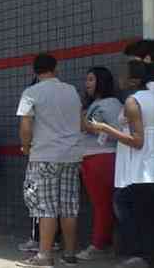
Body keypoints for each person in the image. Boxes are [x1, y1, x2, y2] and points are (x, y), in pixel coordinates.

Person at [16, 54, 83, 267]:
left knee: (46, 207)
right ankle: (70, 254)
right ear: (56, 68)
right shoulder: (71, 90)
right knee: (69, 206)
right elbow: (81, 122)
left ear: (34, 71)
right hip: (72, 156)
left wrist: (26, 148)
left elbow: (26, 126)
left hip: (44, 155)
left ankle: (44, 256)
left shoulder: (31, 92)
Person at [89, 60, 154, 268]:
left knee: (126, 205)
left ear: (133, 79)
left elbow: (137, 141)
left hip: (140, 169)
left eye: (123, 75)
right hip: (147, 168)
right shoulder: (150, 97)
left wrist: (104, 128)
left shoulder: (133, 102)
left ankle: (140, 256)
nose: (119, 79)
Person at [75, 67, 123, 261]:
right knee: (100, 204)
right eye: (86, 80)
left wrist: (92, 127)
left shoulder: (111, 103)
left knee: (101, 204)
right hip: (91, 158)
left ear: (101, 81)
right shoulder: (96, 103)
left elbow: (119, 130)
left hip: (102, 158)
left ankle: (98, 244)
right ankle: (103, 242)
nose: (87, 84)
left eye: (91, 79)